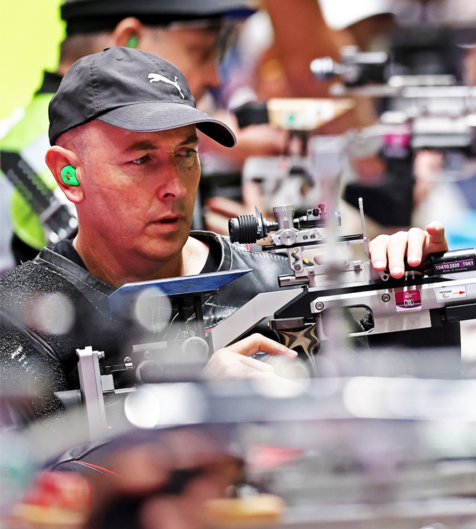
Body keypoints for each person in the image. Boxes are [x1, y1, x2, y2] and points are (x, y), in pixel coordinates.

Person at [0, 47, 447, 426]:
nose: (175, 184)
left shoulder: (281, 281)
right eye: (141, 160)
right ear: (68, 174)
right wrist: (190, 414)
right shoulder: (21, 319)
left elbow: (416, 416)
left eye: (186, 154)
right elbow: (30, 495)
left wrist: (414, 286)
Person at [0, 0, 301, 271]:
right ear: (128, 42)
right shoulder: (46, 157)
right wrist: (253, 260)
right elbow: (137, 304)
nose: (215, 77)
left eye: (186, 155)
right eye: (201, 52)